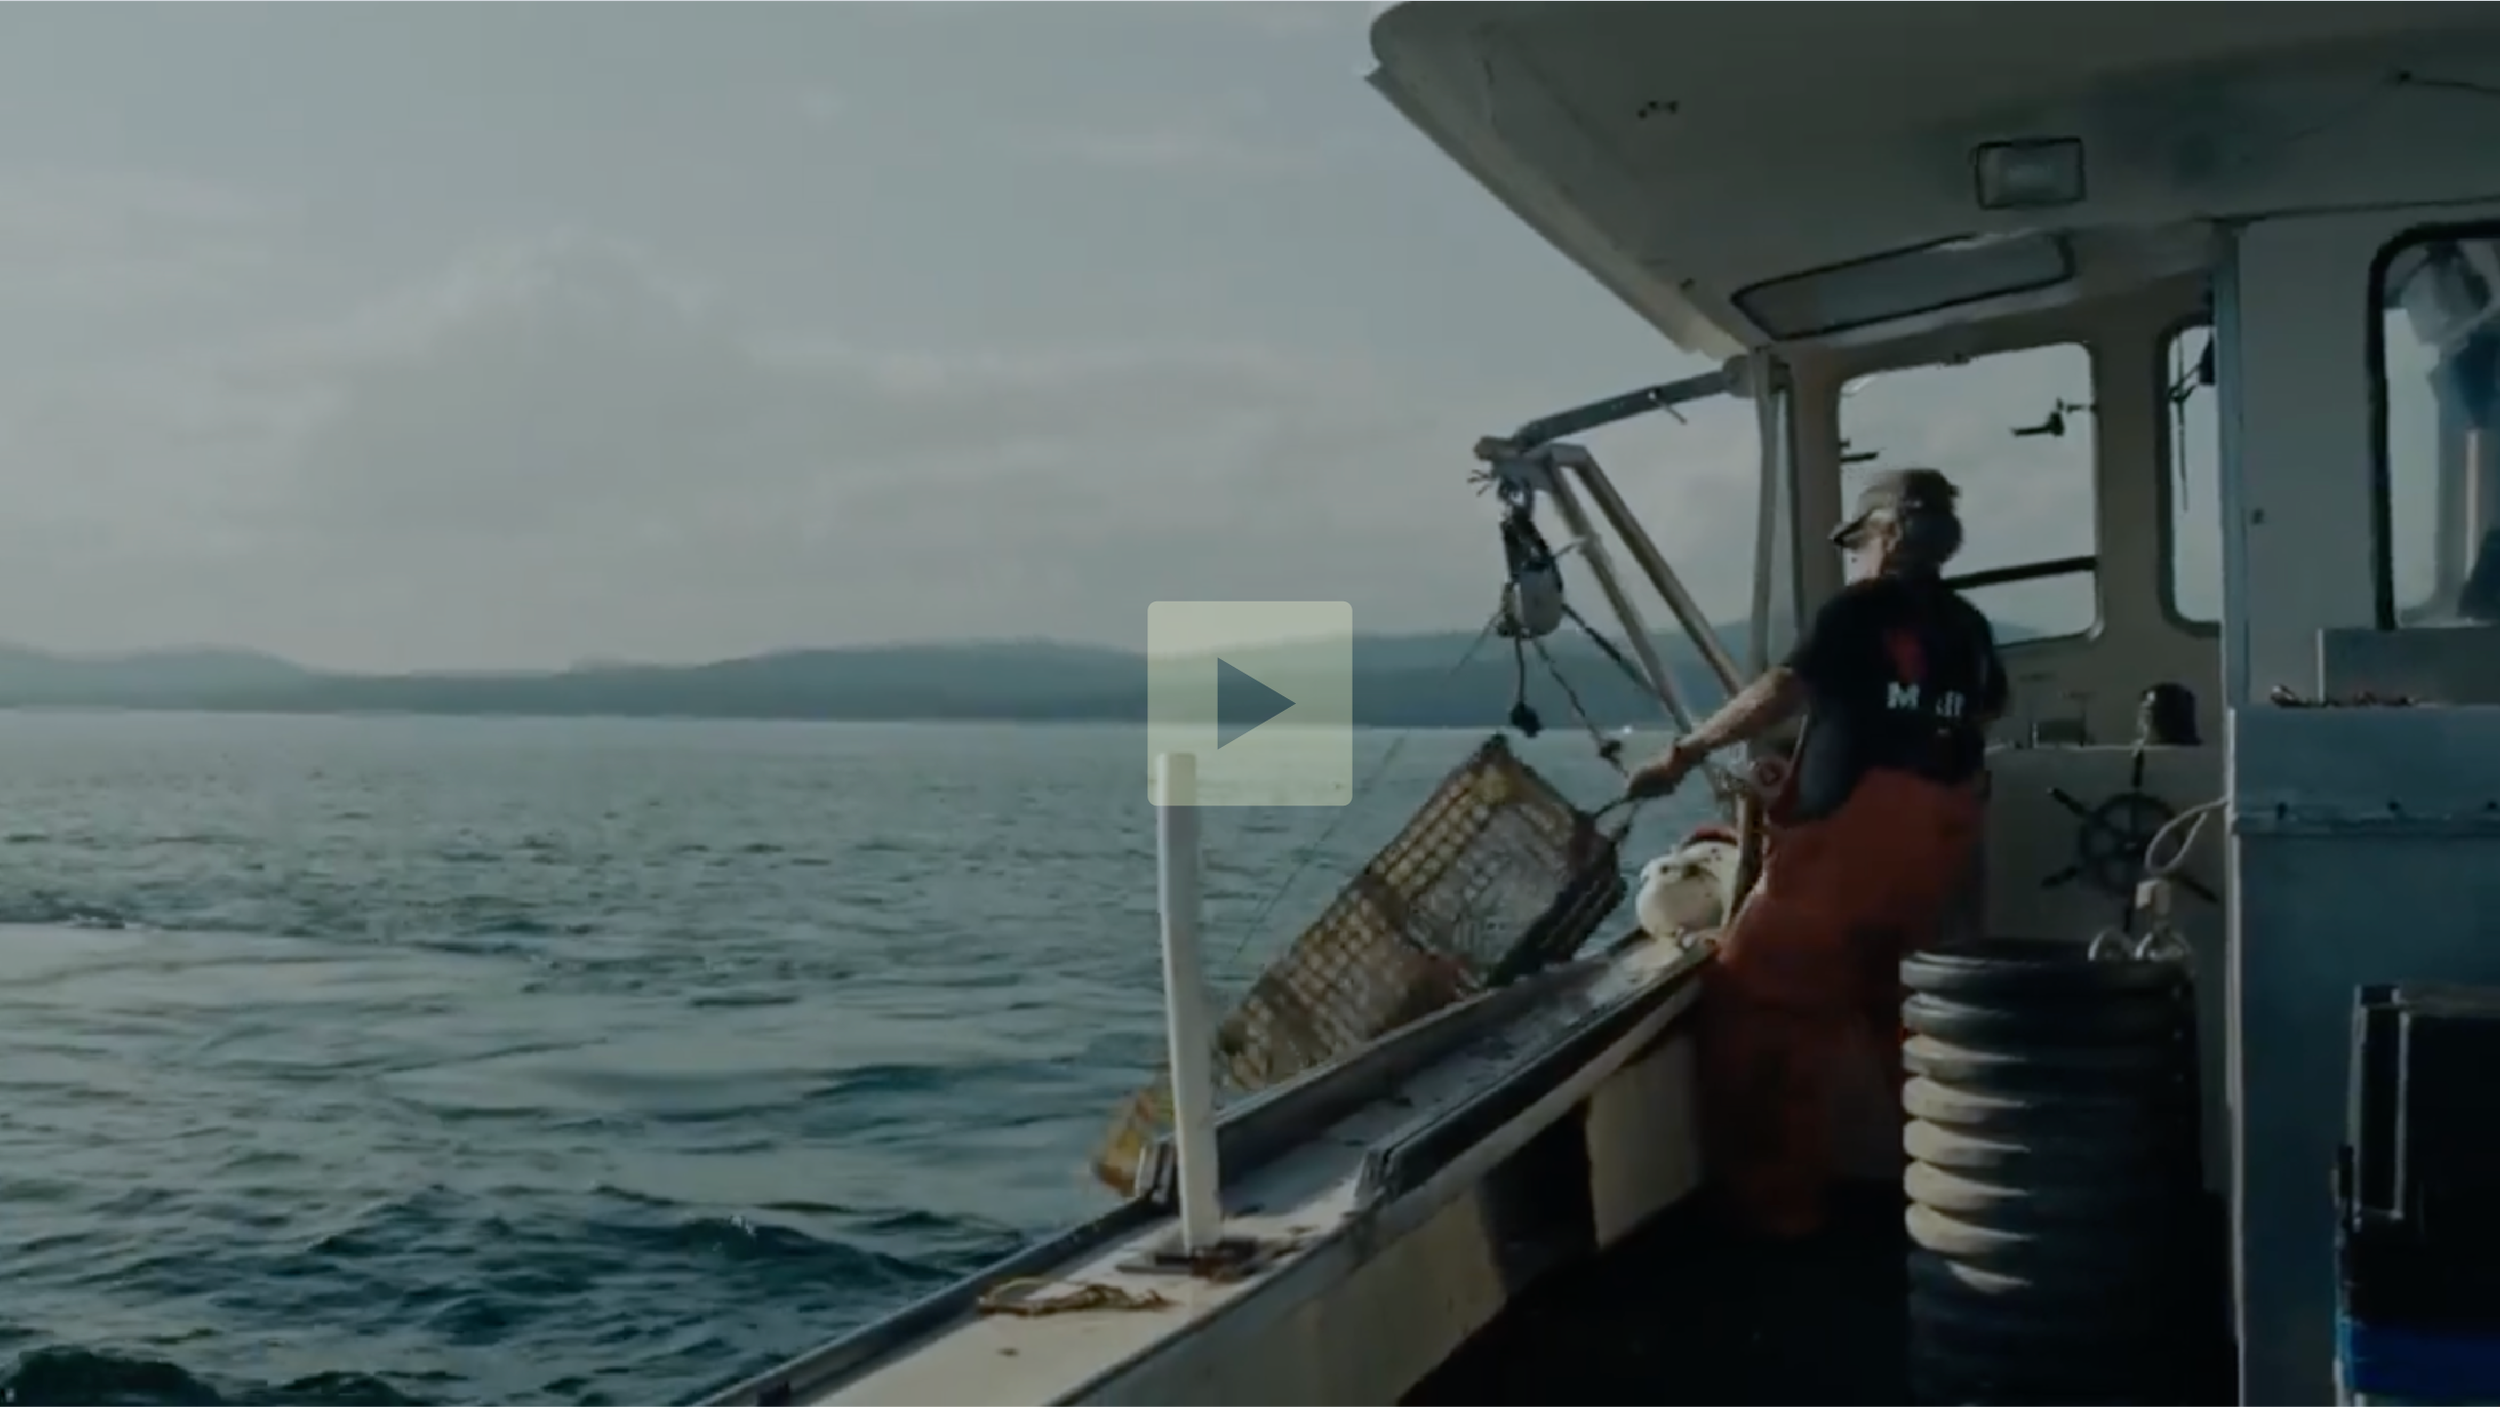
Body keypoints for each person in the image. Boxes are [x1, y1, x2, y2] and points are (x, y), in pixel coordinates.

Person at [1625, 467, 2008, 1242]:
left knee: (1756, 1009)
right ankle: (1958, 1208)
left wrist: (1684, 752)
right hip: (1936, 851)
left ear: (1887, 535)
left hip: (1847, 855)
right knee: (1907, 1015)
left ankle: (1780, 1216)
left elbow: (1780, 689)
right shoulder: (1969, 625)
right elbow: (1990, 704)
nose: (1856, 557)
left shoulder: (1856, 611)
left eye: (1859, 542)